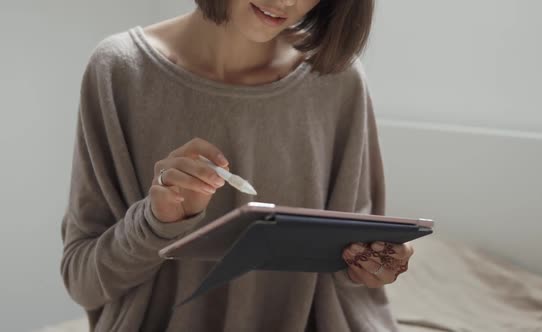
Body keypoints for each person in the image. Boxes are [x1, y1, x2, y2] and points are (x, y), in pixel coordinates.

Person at [60, 0, 415, 331]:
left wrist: (369, 266)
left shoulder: (338, 80)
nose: (287, 1)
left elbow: (350, 268)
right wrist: (155, 222)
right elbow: (83, 283)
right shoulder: (119, 71)